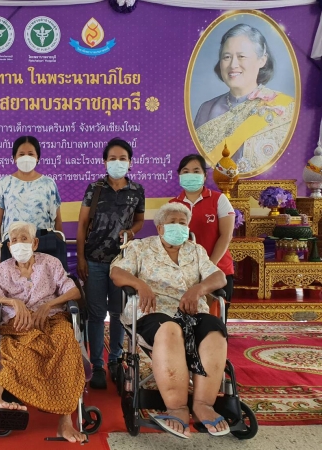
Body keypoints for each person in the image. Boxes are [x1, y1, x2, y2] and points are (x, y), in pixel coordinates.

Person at [110, 203, 229, 439]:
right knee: (170, 329)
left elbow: (219, 277)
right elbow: (117, 272)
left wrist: (198, 289)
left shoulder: (196, 251)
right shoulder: (140, 247)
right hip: (151, 312)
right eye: (172, 222)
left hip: (190, 311)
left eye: (182, 223)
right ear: (160, 227)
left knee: (215, 329)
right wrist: (140, 284)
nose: (178, 226)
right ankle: (177, 408)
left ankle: (203, 404)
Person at [0, 221, 86, 443]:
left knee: (67, 343)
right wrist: (13, 302)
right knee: (20, 348)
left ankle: (65, 421)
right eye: (14, 240)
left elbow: (73, 292)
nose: (18, 244)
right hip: (18, 324)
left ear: (34, 243)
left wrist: (49, 305)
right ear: (8, 245)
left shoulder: (51, 263)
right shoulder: (4, 268)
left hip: (52, 320)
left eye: (24, 239)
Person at [76, 138, 145, 389]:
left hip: (121, 264)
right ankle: (97, 365)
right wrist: (81, 258)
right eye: (113, 158)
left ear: (130, 162)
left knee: (118, 313)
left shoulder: (136, 190)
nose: (118, 162)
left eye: (122, 158)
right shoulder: (94, 188)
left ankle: (115, 360)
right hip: (94, 260)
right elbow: (82, 224)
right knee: (96, 315)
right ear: (105, 162)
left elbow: (139, 220)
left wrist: (131, 232)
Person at [194, 23, 295, 174]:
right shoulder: (206, 109)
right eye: (226, 57)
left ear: (262, 60)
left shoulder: (284, 107)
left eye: (241, 56)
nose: (233, 64)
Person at [170, 154, 234, 321]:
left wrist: (208, 267)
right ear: (179, 175)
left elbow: (226, 236)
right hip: (184, 275)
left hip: (218, 271)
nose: (191, 174)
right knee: (186, 323)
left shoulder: (219, 199)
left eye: (196, 171)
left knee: (214, 324)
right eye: (186, 171)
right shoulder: (173, 205)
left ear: (205, 176)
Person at [0, 136, 63, 268]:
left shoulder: (49, 184)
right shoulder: (4, 183)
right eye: (21, 154)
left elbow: (57, 220)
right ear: (14, 158)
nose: (26, 158)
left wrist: (60, 248)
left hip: (44, 245)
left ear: (37, 157)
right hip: (13, 246)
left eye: (31, 154)